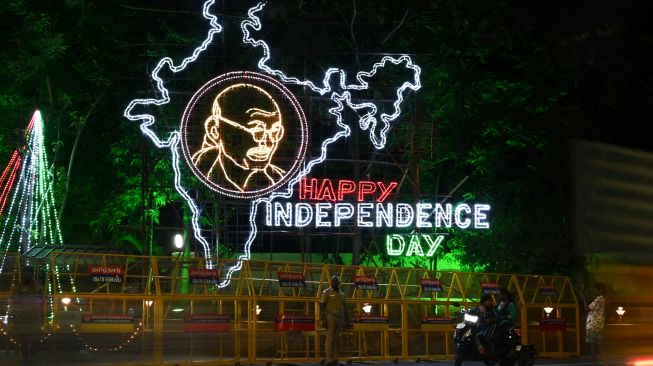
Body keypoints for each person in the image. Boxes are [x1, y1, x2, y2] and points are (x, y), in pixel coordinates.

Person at [191, 83, 286, 192]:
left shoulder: (281, 180)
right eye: (257, 130)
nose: (268, 142)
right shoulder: (197, 173)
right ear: (215, 131)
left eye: (275, 132)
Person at [10, 267, 45, 364]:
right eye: (25, 273)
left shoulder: (37, 286)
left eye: (29, 273)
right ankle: (25, 358)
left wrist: (42, 315)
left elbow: (42, 301)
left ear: (32, 274)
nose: (27, 275)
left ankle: (33, 358)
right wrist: (15, 315)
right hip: (23, 317)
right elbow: (14, 302)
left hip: (35, 317)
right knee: (24, 339)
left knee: (35, 339)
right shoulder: (18, 287)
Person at [321, 275, 349, 366]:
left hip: (339, 318)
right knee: (329, 338)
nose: (334, 283)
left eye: (336, 282)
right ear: (331, 282)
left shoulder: (341, 294)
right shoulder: (327, 292)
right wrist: (323, 319)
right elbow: (322, 306)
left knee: (336, 339)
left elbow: (344, 307)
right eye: (333, 281)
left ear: (339, 283)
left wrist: (347, 319)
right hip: (330, 317)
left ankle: (334, 358)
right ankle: (329, 360)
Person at [586, 283, 606, 366]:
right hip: (599, 324)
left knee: (592, 344)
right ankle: (605, 361)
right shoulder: (602, 298)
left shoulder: (598, 298)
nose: (595, 291)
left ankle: (594, 362)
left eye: (596, 289)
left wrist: (584, 299)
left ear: (600, 290)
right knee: (599, 344)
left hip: (593, 324)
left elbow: (587, 308)